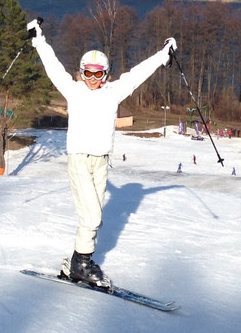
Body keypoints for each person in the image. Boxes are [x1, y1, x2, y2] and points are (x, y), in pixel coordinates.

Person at [26, 19, 176, 287]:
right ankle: (82, 264)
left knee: (92, 217)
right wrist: (38, 39)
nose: (93, 80)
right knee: (92, 215)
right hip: (80, 160)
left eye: (98, 74)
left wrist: (163, 55)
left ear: (106, 74)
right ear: (81, 73)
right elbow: (53, 68)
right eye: (88, 73)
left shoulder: (113, 92)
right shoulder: (73, 90)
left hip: (101, 162)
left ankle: (74, 262)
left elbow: (138, 73)